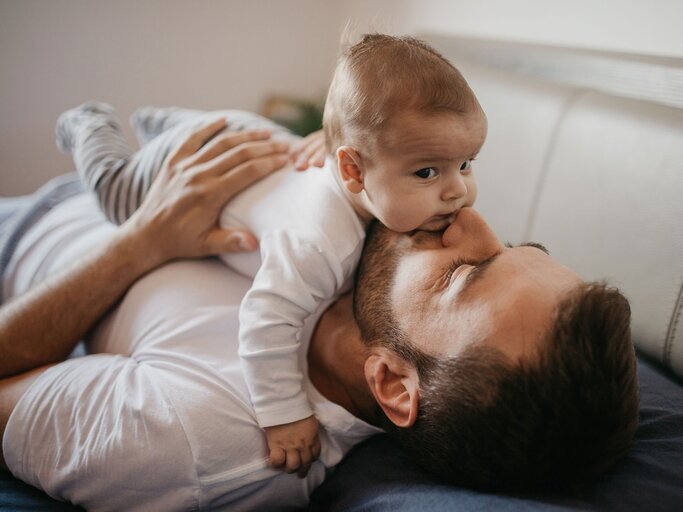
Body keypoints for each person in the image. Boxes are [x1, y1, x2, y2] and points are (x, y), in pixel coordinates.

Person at [0, 125, 639, 510]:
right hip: (100, 182)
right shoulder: (369, 240)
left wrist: (141, 243)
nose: (469, 217)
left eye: (467, 272)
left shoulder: (193, 437)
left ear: (391, 383)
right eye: (515, 246)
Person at [54, 34, 485, 474]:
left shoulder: (378, 183)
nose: (458, 192)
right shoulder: (316, 245)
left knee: (202, 131)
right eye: (428, 171)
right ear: (352, 170)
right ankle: (92, 123)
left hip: (249, 136)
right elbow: (265, 322)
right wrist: (284, 413)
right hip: (196, 159)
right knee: (116, 198)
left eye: (466, 163)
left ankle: (157, 121)